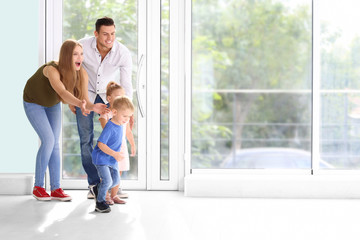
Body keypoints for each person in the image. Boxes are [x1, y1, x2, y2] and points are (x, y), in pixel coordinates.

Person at [23, 39, 108, 201]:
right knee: (48, 141)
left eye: (81, 54)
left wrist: (94, 107)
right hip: (33, 102)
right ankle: (38, 187)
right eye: (75, 54)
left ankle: (55, 188)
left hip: (51, 104)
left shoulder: (81, 73)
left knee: (55, 143)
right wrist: (80, 104)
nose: (80, 58)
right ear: (66, 56)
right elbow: (62, 92)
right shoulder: (51, 69)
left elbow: (85, 100)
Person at [71, 17, 133, 199]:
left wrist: (126, 109)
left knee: (115, 139)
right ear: (96, 33)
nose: (109, 38)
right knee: (85, 138)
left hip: (108, 96)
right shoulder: (81, 46)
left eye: (113, 34)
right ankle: (94, 184)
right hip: (85, 95)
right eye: (105, 34)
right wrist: (72, 100)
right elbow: (71, 73)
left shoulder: (122, 52)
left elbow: (126, 84)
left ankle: (113, 185)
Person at [91, 96, 135, 213]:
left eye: (129, 116)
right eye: (124, 116)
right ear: (114, 112)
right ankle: (100, 203)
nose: (127, 119)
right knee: (108, 181)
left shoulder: (121, 124)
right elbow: (100, 144)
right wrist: (115, 154)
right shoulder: (110, 127)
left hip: (112, 159)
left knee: (115, 181)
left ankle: (97, 188)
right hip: (101, 159)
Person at [99, 82, 136, 204]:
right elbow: (106, 130)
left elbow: (128, 132)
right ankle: (105, 196)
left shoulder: (124, 115)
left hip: (121, 148)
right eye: (118, 96)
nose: (121, 99)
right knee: (107, 173)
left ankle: (114, 195)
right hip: (109, 148)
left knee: (118, 172)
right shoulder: (108, 113)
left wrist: (133, 145)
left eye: (123, 96)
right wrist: (106, 117)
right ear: (109, 98)